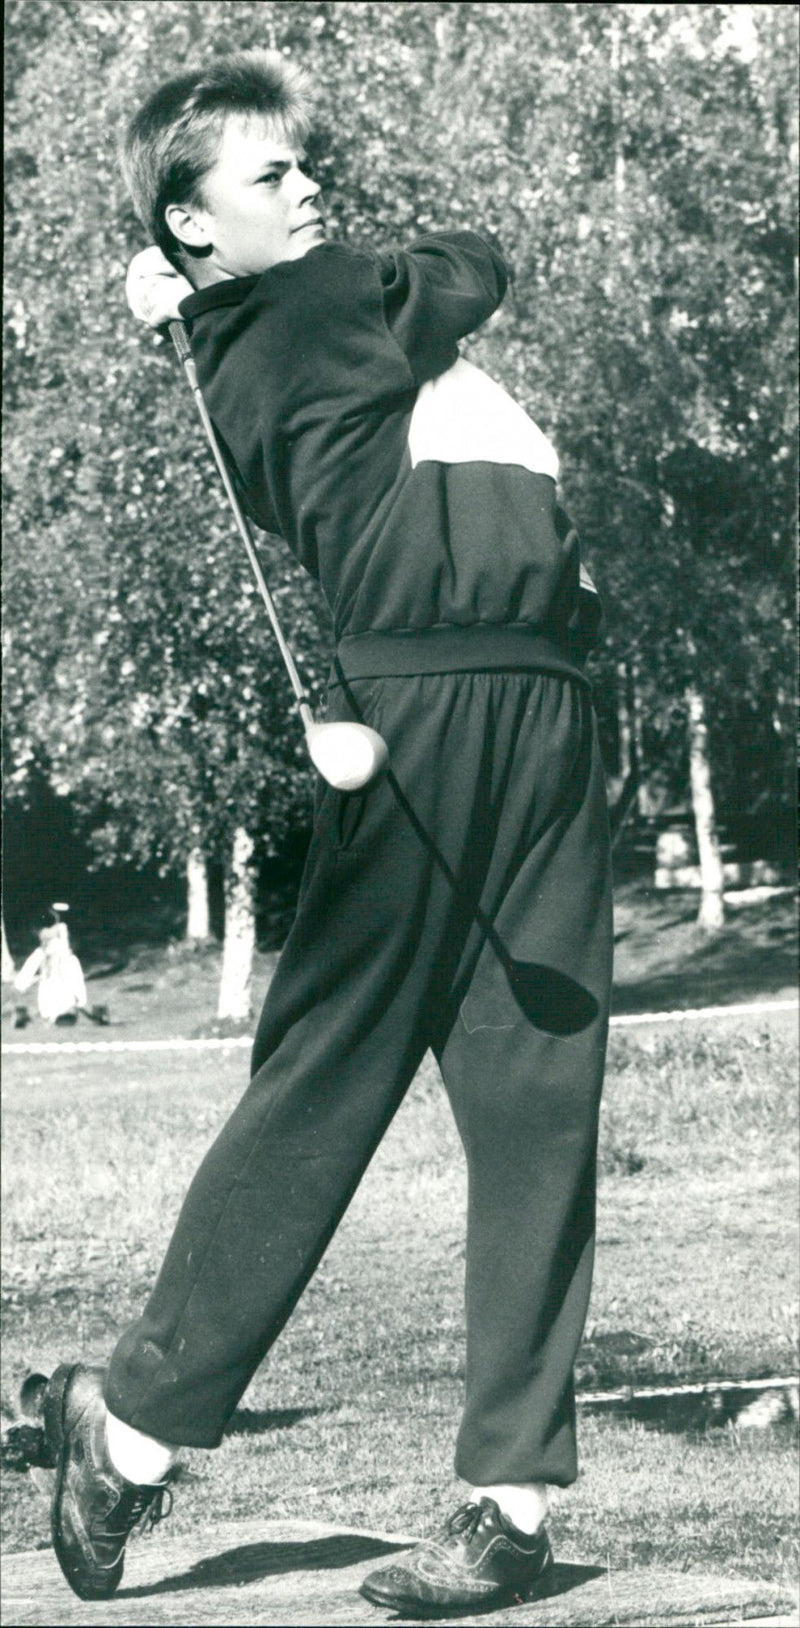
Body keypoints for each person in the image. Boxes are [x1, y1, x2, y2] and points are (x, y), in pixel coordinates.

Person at [45, 50, 613, 1613]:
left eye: (309, 167)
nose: (310, 187)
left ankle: (509, 1506)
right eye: (270, 173)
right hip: (424, 721)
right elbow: (478, 263)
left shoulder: (280, 304)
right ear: (189, 224)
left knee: (538, 1106)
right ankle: (133, 1424)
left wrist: (194, 287)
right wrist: (233, 284)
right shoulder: (303, 306)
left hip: (545, 711)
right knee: (329, 1083)